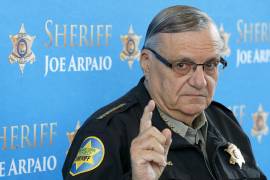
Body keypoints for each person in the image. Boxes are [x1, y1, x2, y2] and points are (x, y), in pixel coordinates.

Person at [62, 5, 266, 180]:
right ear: (146, 63)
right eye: (182, 65)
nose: (200, 81)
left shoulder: (224, 121)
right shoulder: (107, 133)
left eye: (211, 65)